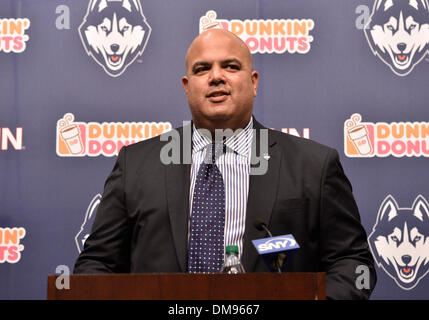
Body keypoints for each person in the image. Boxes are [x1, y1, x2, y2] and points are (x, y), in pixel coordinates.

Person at [74, 29, 376, 299]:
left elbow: (353, 265)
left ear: (253, 82)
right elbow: (96, 264)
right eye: (202, 69)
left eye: (231, 66)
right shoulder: (136, 164)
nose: (216, 76)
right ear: (186, 85)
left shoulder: (313, 166)